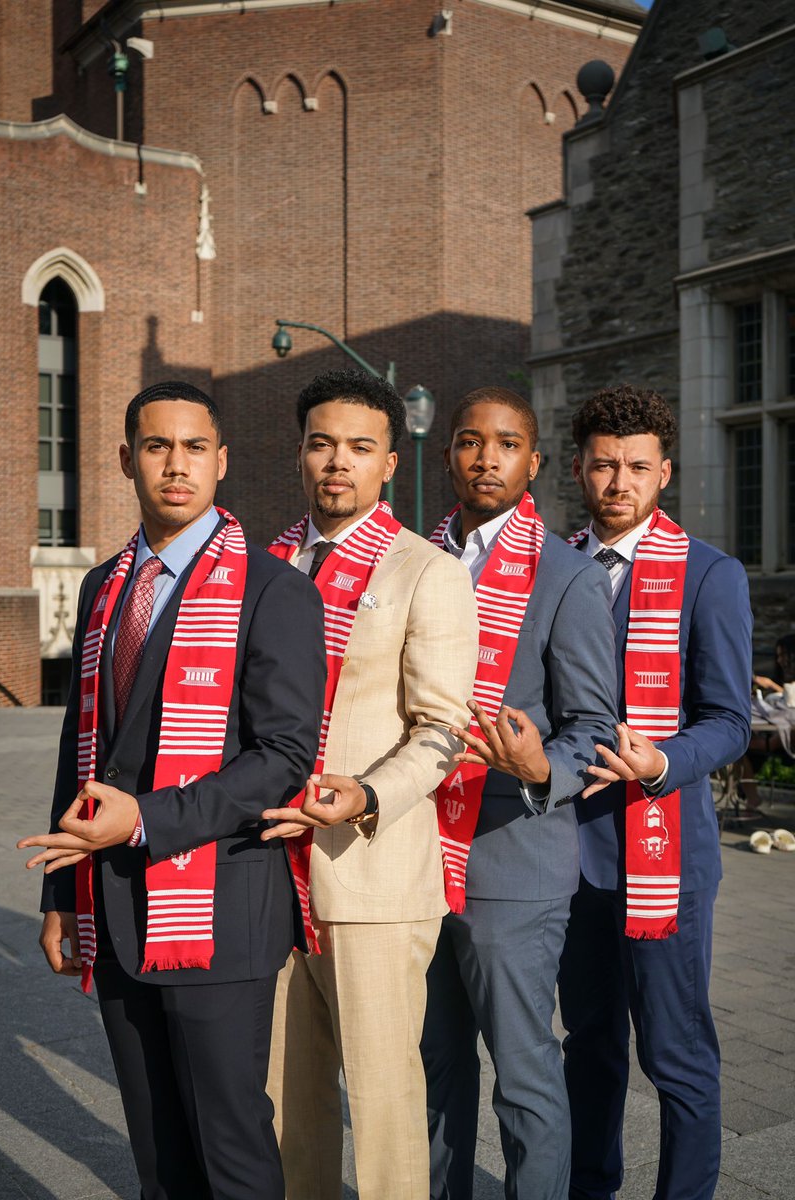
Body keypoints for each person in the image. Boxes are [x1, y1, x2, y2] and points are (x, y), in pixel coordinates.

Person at [17, 380, 326, 1200]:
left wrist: (145, 821)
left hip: (219, 908)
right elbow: (79, 751)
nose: (176, 466)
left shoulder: (273, 589)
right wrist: (61, 892)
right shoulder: (104, 588)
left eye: (195, 448)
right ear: (127, 459)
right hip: (112, 905)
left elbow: (285, 756)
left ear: (222, 463)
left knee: (231, 1152)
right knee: (158, 1158)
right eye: (157, 447)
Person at [262, 369, 479, 1200]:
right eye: (322, 445)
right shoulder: (262, 564)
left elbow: (444, 731)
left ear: (390, 462)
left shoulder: (427, 571)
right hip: (266, 872)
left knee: (385, 1105)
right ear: (301, 456)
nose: (337, 463)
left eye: (359, 448)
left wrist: (368, 793)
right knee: (285, 1103)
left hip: (372, 874)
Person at [420, 387, 619, 1200]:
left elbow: (594, 726)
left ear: (534, 462)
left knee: (524, 1075)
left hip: (513, 862)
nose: (487, 457)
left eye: (507, 444)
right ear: (449, 456)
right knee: (433, 1072)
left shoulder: (566, 577)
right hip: (416, 851)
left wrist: (543, 770)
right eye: (471, 441)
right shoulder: (413, 560)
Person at [558, 385, 752, 1200]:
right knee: (589, 1048)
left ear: (663, 472)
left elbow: (730, 720)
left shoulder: (710, 576)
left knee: (675, 1054)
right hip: (565, 856)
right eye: (604, 464)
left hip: (661, 852)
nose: (619, 481)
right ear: (578, 468)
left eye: (636, 466)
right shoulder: (547, 568)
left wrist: (663, 762)